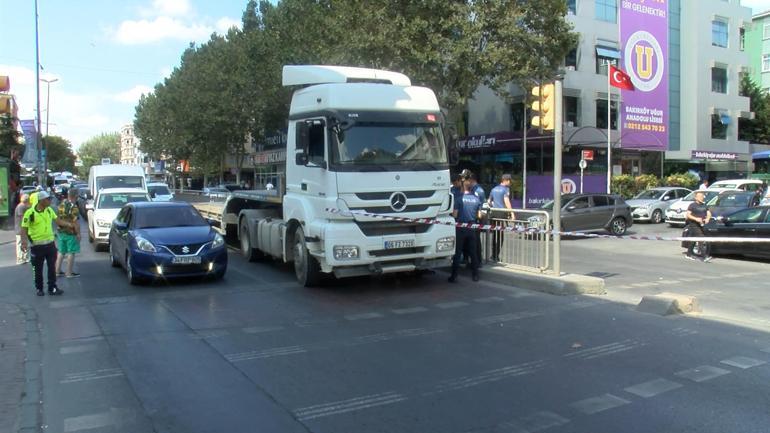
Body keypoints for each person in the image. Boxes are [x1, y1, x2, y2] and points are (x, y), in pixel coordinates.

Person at [20, 191, 69, 296]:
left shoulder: (49, 210)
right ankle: (39, 288)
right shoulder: (30, 213)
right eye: (48, 199)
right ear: (41, 200)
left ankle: (52, 288)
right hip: (37, 246)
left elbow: (58, 221)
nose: (49, 201)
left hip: (50, 245)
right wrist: (24, 242)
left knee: (52, 268)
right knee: (38, 269)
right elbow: (23, 228)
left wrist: (69, 225)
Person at [449, 177, 482, 283]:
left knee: (457, 253)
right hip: (472, 228)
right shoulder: (476, 199)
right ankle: (475, 275)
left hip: (460, 228)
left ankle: (454, 276)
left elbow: (455, 214)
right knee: (473, 253)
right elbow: (479, 215)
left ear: (463, 187)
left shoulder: (459, 199)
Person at [55, 189, 81, 278]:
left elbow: (57, 218)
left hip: (61, 232)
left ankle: (57, 271)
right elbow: (75, 222)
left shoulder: (61, 204)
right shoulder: (74, 207)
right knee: (71, 252)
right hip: (70, 233)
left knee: (61, 252)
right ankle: (68, 272)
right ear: (76, 196)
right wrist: (78, 234)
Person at [488, 174, 514, 261]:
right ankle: (496, 256)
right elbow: (507, 202)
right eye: (510, 181)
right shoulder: (505, 189)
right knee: (500, 236)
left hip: (494, 213)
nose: (510, 183)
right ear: (506, 180)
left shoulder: (494, 189)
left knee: (495, 235)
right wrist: (512, 213)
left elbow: (489, 201)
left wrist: (494, 205)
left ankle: (493, 254)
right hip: (501, 214)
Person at [684, 191, 712, 262]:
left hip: (701, 224)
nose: (702, 198)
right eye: (700, 197)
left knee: (693, 239)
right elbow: (688, 215)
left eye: (702, 197)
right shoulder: (692, 205)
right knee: (701, 238)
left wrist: (707, 219)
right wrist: (696, 219)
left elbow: (709, 213)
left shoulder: (704, 205)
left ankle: (688, 254)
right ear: (696, 198)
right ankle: (704, 257)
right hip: (694, 224)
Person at [14, 194, 30, 265]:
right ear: (26, 200)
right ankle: (20, 258)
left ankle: (24, 257)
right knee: (20, 243)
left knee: (24, 242)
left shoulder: (23, 206)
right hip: (20, 229)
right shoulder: (21, 206)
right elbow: (22, 218)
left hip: (21, 228)